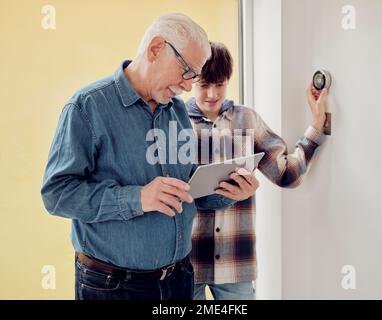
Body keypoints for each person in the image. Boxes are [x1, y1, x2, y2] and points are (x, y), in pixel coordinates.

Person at [40, 14, 259, 301]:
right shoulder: (87, 107)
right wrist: (138, 198)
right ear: (156, 49)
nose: (187, 86)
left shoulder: (177, 112)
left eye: (193, 76)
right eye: (187, 72)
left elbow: (186, 189)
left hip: (179, 279)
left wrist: (229, 191)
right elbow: (56, 195)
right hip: (113, 286)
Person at [186, 42, 328, 300]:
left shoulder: (246, 119)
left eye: (219, 84)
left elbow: (287, 174)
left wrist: (316, 126)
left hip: (236, 262)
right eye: (204, 84)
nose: (211, 94)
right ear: (190, 80)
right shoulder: (174, 122)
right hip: (186, 263)